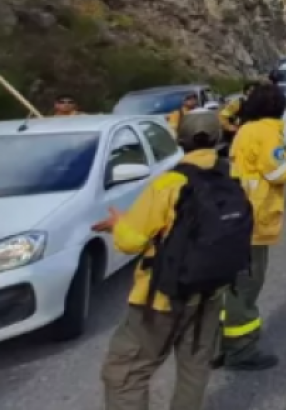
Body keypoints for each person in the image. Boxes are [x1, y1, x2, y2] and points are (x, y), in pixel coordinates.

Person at [96, 111, 246, 410]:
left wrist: (119, 224)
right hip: (211, 292)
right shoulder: (230, 178)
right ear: (218, 140)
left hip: (164, 297)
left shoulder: (168, 184)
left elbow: (131, 241)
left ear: (180, 140)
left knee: (125, 373)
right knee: (195, 366)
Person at [220, 85, 286, 370]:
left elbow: (275, 158)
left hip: (237, 217)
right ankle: (241, 349)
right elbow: (277, 171)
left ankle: (219, 344)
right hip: (252, 221)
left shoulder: (248, 129)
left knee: (232, 285)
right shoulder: (267, 131)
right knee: (246, 286)